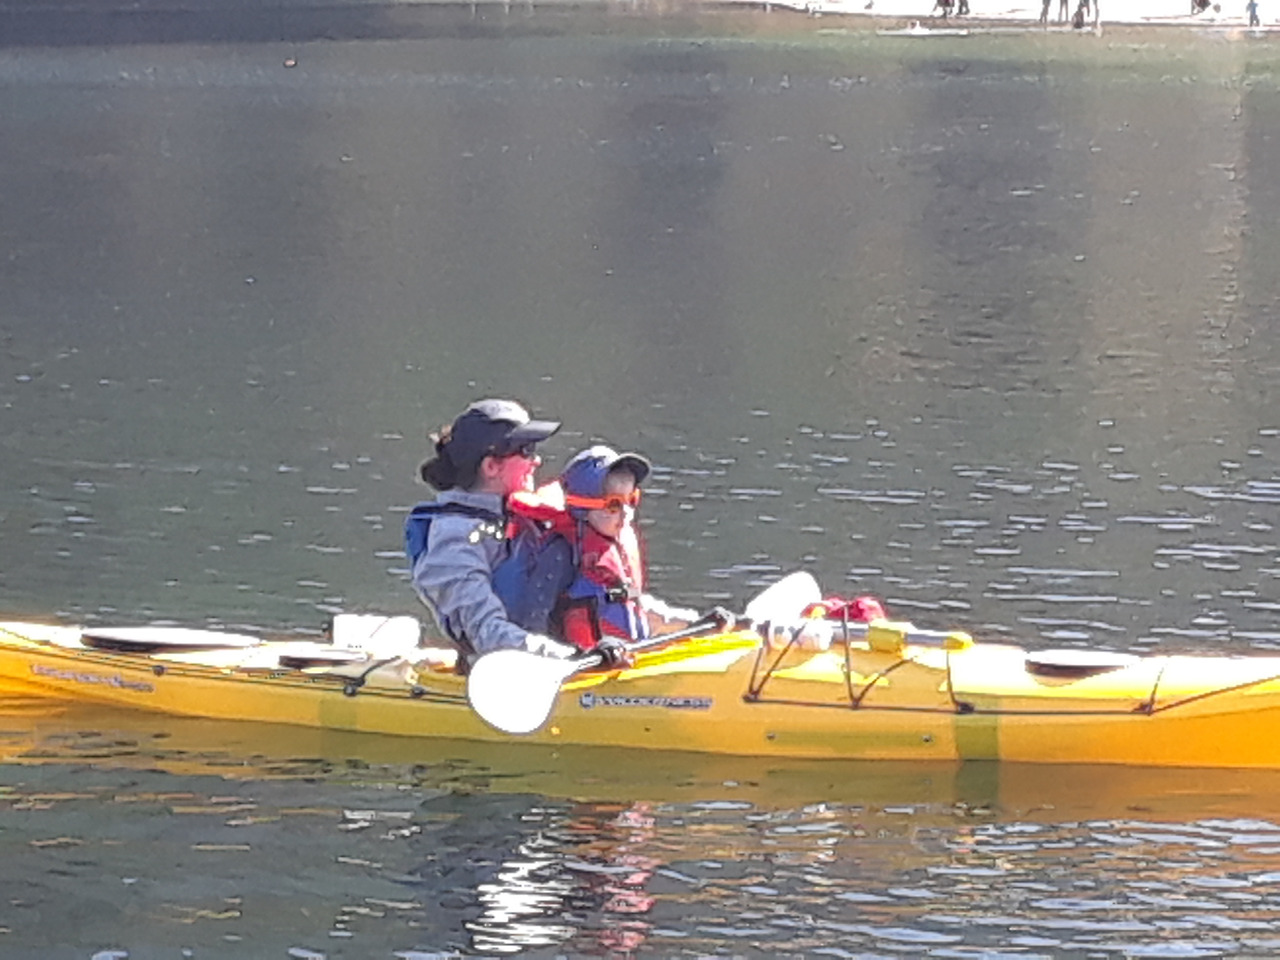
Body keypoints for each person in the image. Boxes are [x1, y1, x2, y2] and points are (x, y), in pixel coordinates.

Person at [404, 398, 578, 672]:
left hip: (563, 663)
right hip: (497, 679)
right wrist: (571, 656)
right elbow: (487, 633)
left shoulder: (518, 519)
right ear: (491, 467)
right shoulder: (454, 541)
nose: (536, 460)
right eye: (526, 451)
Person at [509, 445, 710, 661]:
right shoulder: (560, 553)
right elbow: (533, 624)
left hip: (627, 659)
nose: (627, 513)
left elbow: (637, 606)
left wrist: (698, 623)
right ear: (582, 508)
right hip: (584, 668)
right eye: (614, 505)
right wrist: (576, 656)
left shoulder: (614, 545)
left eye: (631, 500)